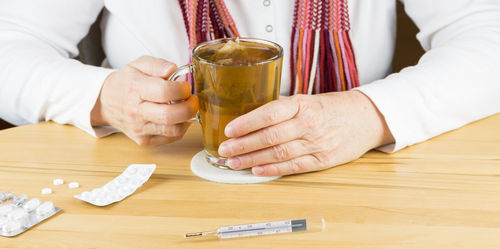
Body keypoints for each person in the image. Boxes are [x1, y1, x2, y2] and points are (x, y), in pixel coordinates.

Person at [0, 0, 499, 177]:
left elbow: (488, 34)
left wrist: (372, 113)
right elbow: (10, 44)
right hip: (163, 176)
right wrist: (102, 96)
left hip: (361, 177)